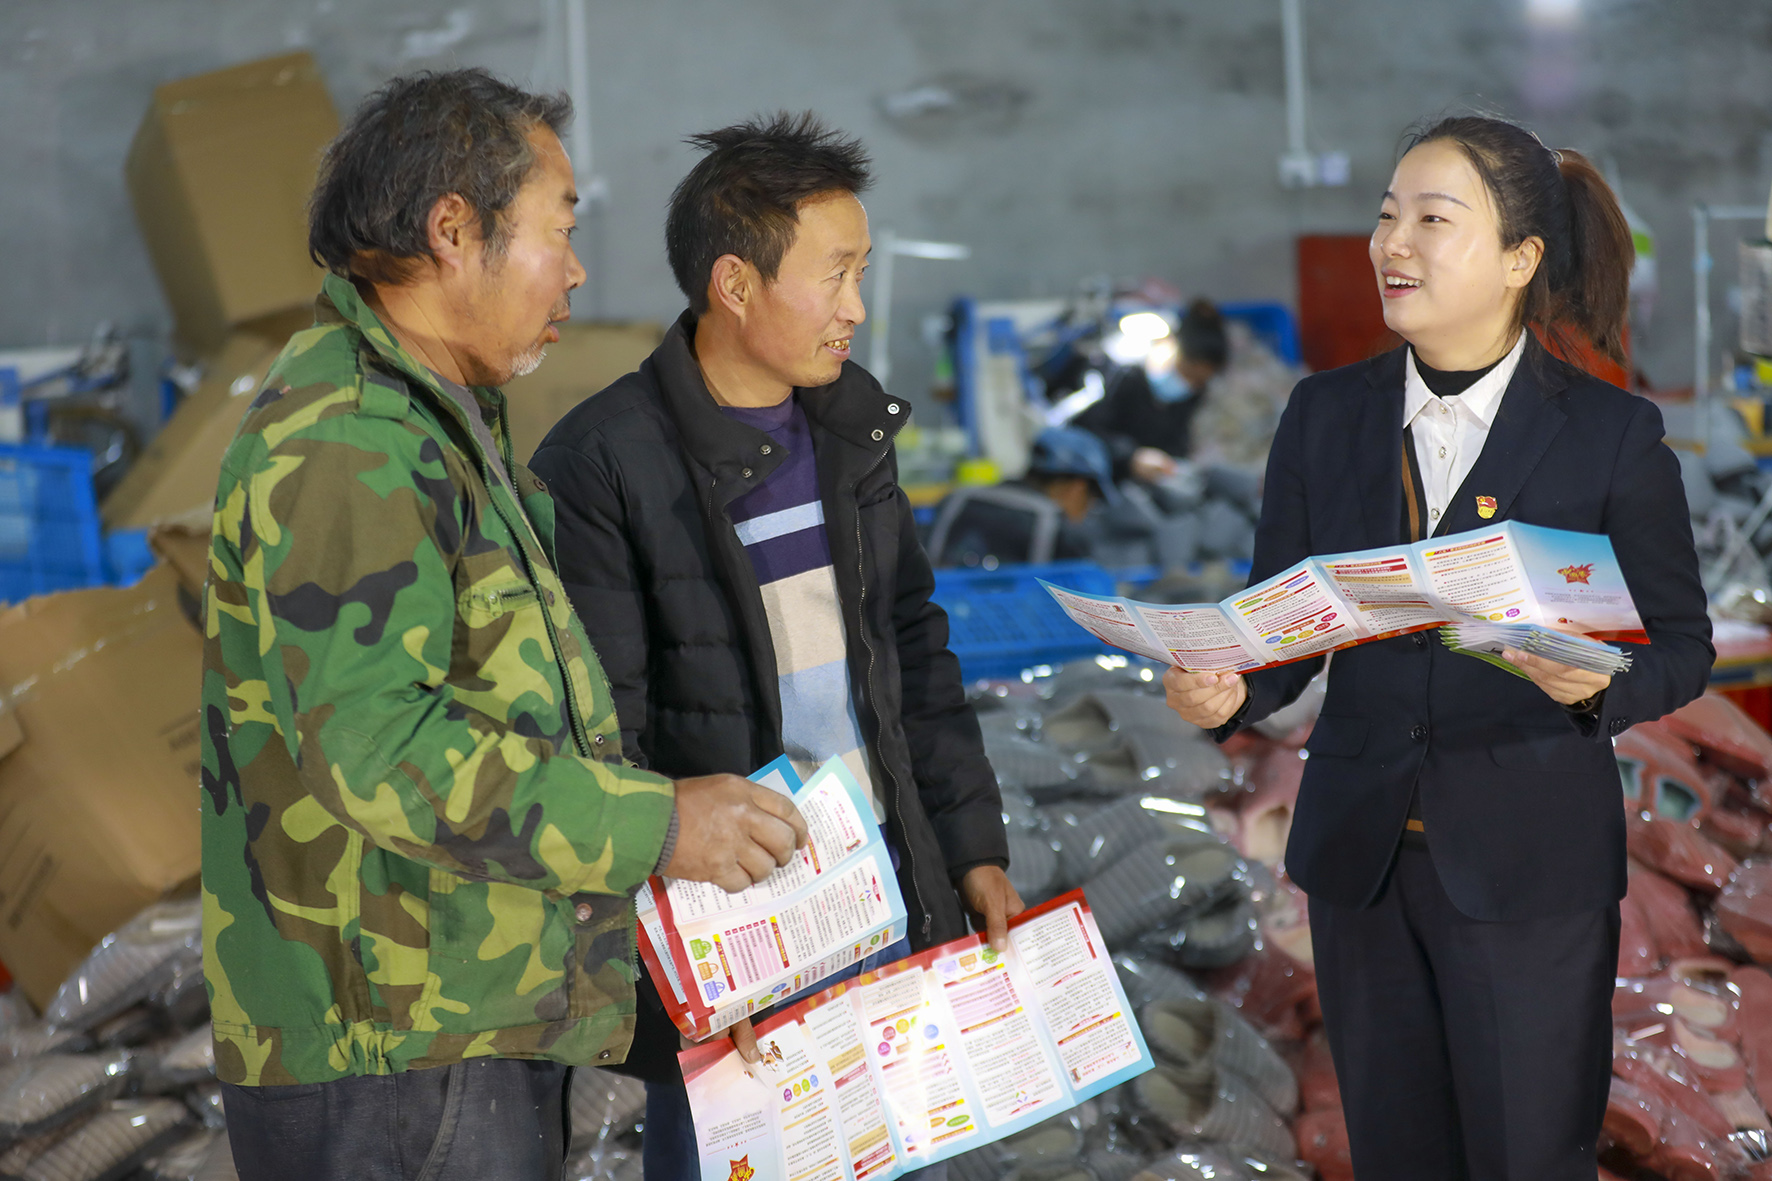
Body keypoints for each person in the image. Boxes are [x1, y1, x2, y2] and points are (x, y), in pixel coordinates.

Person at [200, 70, 809, 1181]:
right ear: (452, 230)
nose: (575, 270)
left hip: (453, 1018)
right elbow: (382, 751)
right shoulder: (353, 438)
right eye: (558, 229)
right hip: (392, 1052)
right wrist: (658, 824)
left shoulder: (433, 416)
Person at [1162, 114, 1711, 1180]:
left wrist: (1595, 683)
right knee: (1397, 1155)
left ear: (1519, 258)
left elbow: (1679, 645)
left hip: (1526, 866)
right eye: (1384, 216)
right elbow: (1281, 625)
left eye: (1430, 218)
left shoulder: (1609, 436)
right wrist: (1229, 688)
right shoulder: (1323, 416)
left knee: (1523, 1155)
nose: (1391, 243)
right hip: (1361, 861)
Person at [529, 111, 1015, 1180]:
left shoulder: (851, 431)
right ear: (736, 284)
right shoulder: (602, 463)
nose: (855, 307)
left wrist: (971, 847)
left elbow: (911, 650)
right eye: (834, 275)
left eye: (860, 272)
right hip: (742, 934)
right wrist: (702, 967)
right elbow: (605, 739)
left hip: (880, 893)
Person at [1075, 298, 1228, 483]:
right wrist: (1131, 457)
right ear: (1172, 346)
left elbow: (1175, 439)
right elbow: (1085, 428)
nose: (1189, 384)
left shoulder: (1192, 393)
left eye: (1198, 381)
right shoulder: (1121, 370)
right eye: (1188, 373)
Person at [926, 425, 1116, 566]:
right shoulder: (1059, 529)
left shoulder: (957, 500)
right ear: (1078, 487)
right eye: (1092, 499)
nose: (1088, 510)